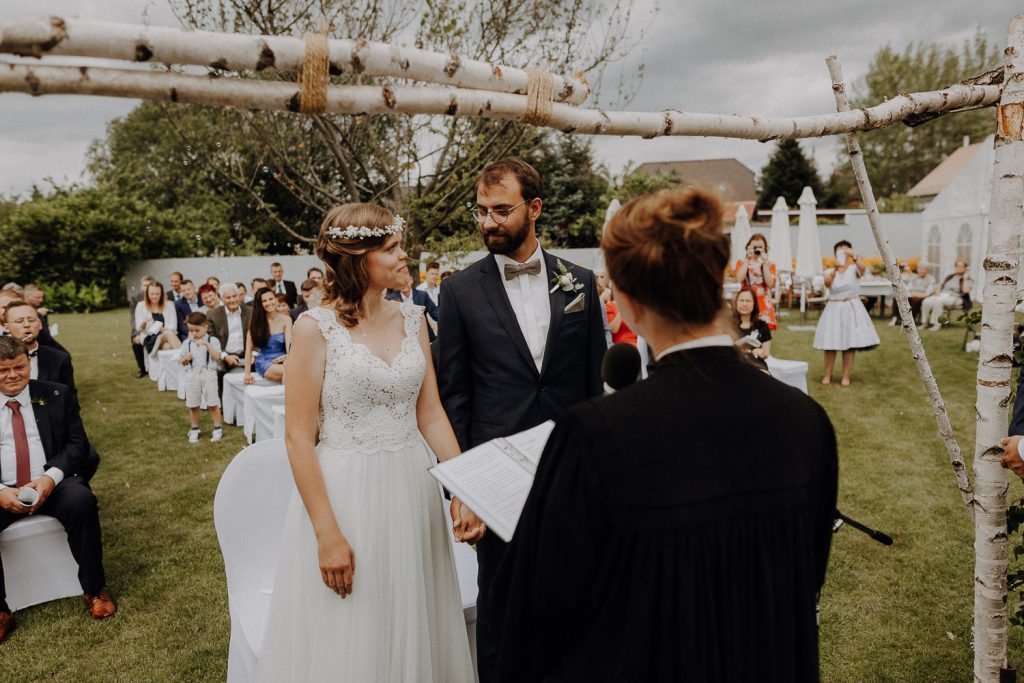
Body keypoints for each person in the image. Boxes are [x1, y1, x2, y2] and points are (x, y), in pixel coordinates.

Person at [491, 187, 838, 682]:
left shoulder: (595, 436)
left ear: (627, 304)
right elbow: (806, 578)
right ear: (718, 280)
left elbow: (538, 608)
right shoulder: (807, 421)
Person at [256, 203, 481, 681]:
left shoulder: (413, 318)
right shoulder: (314, 329)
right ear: (359, 259)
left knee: (412, 614)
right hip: (346, 494)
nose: (405, 256)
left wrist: (464, 486)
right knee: (356, 623)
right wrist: (326, 533)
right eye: (392, 248)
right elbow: (298, 438)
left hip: (412, 487)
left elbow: (431, 413)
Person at [437, 157, 607, 683]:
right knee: (502, 612)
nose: (488, 222)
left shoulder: (578, 282)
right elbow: (454, 397)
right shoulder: (460, 291)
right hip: (496, 478)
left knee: (574, 603)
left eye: (501, 210)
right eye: (481, 211)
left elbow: (591, 383)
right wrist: (462, 489)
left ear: (533, 209)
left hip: (567, 474)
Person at [0, 337, 116, 643]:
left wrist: (51, 478)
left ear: (28, 363)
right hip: (3, 490)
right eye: (3, 370)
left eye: (19, 367)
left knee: (82, 500)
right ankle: (1, 610)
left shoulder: (55, 393)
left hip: (52, 482)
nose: (13, 375)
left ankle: (94, 589)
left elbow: (78, 445)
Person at [813, 240, 880, 386]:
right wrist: (836, 269)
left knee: (849, 343)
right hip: (834, 308)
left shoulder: (855, 268)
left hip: (851, 307)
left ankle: (846, 376)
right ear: (835, 253)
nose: (843, 252)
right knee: (830, 343)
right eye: (840, 250)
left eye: (846, 250)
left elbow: (862, 268)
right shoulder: (830, 271)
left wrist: (855, 257)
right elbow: (828, 284)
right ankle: (827, 375)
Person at [4, 302, 75, 392]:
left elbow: (70, 398)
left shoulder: (59, 358)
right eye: (19, 321)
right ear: (6, 327)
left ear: (40, 324)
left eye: (31, 320)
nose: (26, 325)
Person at [180, 312, 224, 443]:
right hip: (192, 374)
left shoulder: (213, 341)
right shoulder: (187, 343)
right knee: (193, 404)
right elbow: (181, 361)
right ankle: (194, 429)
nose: (193, 333)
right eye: (191, 330)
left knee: (212, 403)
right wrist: (186, 359)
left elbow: (217, 358)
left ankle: (217, 428)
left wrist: (206, 345)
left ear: (205, 327)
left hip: (208, 373)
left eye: (196, 330)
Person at [244, 287, 291, 384]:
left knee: (295, 369)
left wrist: (287, 359)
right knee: (289, 372)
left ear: (276, 299)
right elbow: (248, 349)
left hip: (283, 359)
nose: (269, 303)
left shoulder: (286, 319)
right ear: (260, 304)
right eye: (264, 301)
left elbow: (289, 346)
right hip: (265, 362)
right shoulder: (256, 322)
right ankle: (287, 399)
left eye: (271, 299)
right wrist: (247, 374)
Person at [734, 232, 777, 330]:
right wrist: (747, 260)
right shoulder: (742, 262)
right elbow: (738, 279)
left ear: (765, 248)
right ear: (748, 247)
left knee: (763, 335)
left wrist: (765, 264)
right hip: (746, 301)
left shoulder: (770, 264)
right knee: (745, 331)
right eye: (755, 247)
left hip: (763, 303)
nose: (757, 249)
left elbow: (770, 284)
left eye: (760, 247)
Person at [921, 260, 972, 331]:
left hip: (957, 298)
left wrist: (965, 278)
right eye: (957, 266)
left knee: (937, 302)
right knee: (926, 301)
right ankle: (924, 323)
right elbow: (940, 286)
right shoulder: (950, 277)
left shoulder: (967, 278)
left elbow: (966, 291)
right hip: (942, 295)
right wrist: (938, 292)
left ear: (965, 268)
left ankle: (936, 325)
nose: (959, 267)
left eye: (961, 266)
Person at [386, 273, 439, 341]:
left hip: (424, 336)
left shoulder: (422, 295)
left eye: (406, 281)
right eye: (400, 282)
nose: (404, 284)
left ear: (411, 280)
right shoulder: (390, 299)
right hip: (402, 338)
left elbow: (435, 313)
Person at [134, 282, 181, 355]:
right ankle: (184, 358)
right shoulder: (140, 306)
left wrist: (162, 329)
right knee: (167, 334)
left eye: (157, 294)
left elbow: (173, 326)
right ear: (147, 294)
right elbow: (138, 328)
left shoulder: (169, 304)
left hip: (168, 336)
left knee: (167, 346)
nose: (154, 296)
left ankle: (177, 363)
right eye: (152, 294)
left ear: (161, 294)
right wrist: (143, 324)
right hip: (150, 339)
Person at [733, 287, 772, 367]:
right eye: (741, 300)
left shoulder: (762, 325)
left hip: (756, 366)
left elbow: (766, 353)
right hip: (735, 366)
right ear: (736, 303)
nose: (744, 304)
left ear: (754, 304)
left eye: (748, 301)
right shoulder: (729, 325)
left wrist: (761, 352)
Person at [22, 284, 64, 353]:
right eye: (37, 297)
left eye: (42, 297)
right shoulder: (20, 309)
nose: (41, 300)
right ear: (26, 297)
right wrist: (38, 314)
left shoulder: (39, 309)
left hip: (46, 342)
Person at [129, 276, 155, 378]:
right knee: (136, 340)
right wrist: (137, 334)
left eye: (150, 285)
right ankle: (142, 368)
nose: (147, 288)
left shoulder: (157, 296)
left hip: (154, 328)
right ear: (141, 286)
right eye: (145, 285)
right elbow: (134, 319)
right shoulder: (135, 299)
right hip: (140, 328)